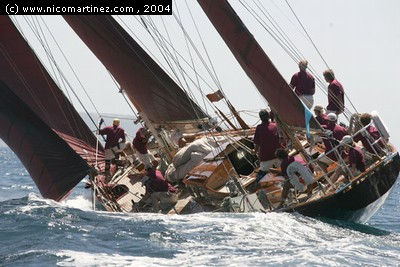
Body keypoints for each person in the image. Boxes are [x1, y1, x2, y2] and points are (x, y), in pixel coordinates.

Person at [253, 110, 282, 182]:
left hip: (266, 157)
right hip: (279, 155)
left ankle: (257, 185)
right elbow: (281, 138)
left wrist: (254, 151)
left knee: (260, 177)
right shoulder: (275, 125)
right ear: (268, 116)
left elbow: (257, 143)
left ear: (260, 118)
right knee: (285, 169)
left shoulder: (259, 128)